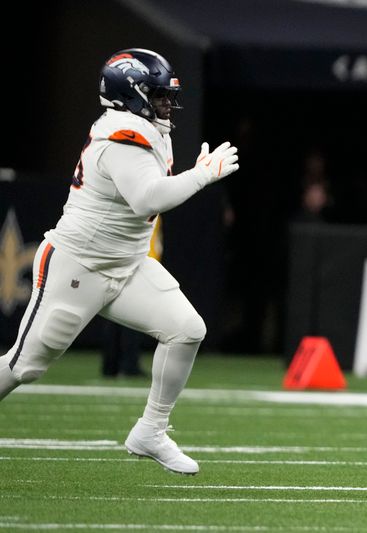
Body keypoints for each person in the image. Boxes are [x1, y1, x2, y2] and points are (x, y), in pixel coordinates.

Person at [0, 48, 239, 475]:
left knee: (186, 330)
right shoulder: (121, 134)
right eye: (157, 94)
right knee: (25, 365)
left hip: (127, 264)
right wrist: (203, 175)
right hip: (79, 264)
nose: (166, 103)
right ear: (129, 95)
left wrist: (195, 173)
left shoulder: (148, 128)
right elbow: (146, 198)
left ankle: (151, 430)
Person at [101, 216, 163, 378]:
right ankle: (129, 365)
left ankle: (110, 366)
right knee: (132, 320)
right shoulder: (145, 206)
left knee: (114, 317)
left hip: (118, 265)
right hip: (138, 266)